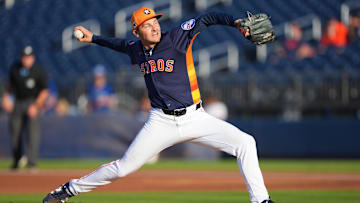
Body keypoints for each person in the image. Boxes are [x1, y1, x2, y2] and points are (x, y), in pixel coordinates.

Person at [43, 8, 274, 203]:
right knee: (123, 168)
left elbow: (207, 18)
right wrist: (93, 38)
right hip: (160, 122)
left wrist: (235, 23)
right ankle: (68, 190)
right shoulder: (137, 49)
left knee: (245, 142)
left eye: (155, 22)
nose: (154, 27)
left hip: (196, 117)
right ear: (137, 31)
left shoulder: (176, 38)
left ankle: (261, 200)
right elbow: (120, 44)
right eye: (147, 24)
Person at [1, 45, 49, 170]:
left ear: (33, 58)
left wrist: (36, 106)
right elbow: (10, 85)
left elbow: (44, 91)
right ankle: (17, 161)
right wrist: (6, 98)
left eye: (29, 57)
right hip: (17, 102)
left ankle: (32, 162)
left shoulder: (39, 70)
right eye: (24, 57)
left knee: (33, 133)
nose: (26, 59)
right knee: (15, 132)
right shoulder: (15, 68)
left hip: (33, 102)